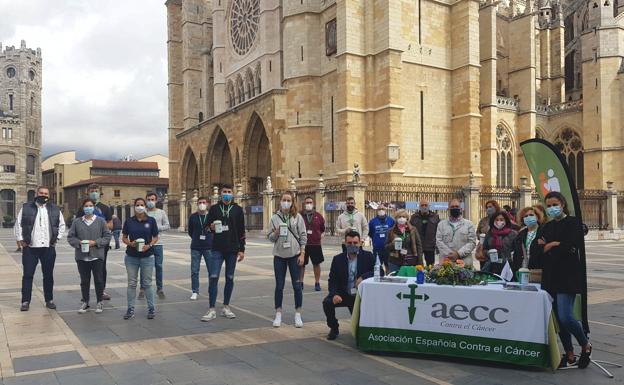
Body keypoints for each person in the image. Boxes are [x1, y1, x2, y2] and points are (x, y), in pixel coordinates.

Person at [530, 191, 592, 369]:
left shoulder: (573, 223)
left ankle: (585, 343)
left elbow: (571, 246)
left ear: (563, 204)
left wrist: (549, 246)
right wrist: (553, 245)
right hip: (550, 277)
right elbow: (535, 253)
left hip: (568, 275)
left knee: (566, 316)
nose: (551, 208)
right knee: (558, 318)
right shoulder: (545, 227)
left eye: (554, 204)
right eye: (548, 206)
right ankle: (570, 354)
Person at [323, 231, 382, 340]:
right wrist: (334, 294)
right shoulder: (338, 259)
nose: (352, 245)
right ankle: (334, 328)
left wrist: (363, 277)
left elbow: (380, 272)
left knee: (359, 329)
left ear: (360, 243)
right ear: (345, 243)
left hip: (360, 295)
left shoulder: (368, 256)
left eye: (355, 243)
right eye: (349, 243)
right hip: (343, 293)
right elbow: (332, 280)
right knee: (327, 303)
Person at [15, 186, 66, 311]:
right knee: (27, 275)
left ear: (48, 195)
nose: (43, 195)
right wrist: (21, 240)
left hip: (48, 248)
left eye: (46, 193)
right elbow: (18, 224)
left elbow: (62, 225)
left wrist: (56, 239)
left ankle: (49, 300)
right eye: (41, 193)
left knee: (48, 275)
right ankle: (25, 301)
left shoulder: (54, 209)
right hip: (31, 248)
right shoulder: (26, 207)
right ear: (37, 194)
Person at [201, 184, 246, 322]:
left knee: (230, 277)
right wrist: (211, 227)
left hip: (232, 249)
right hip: (217, 248)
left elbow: (241, 231)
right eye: (224, 192)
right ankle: (212, 309)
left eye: (229, 192)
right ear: (220, 194)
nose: (227, 194)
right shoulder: (214, 209)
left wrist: (242, 249)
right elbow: (206, 227)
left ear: (232, 194)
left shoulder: (238, 210)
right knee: (213, 276)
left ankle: (226, 306)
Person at [268, 192, 307, 328]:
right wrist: (276, 233)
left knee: (297, 286)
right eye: (284, 200)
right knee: (279, 286)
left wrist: (302, 254)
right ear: (280, 201)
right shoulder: (274, 218)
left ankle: (298, 314)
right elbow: (270, 238)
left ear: (292, 202)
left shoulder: (297, 217)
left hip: (294, 255)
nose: (286, 202)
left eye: (288, 200)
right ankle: (278, 314)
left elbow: (303, 236)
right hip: (279, 256)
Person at [67, 198, 112, 314]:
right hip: (82, 257)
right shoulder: (77, 222)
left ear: (94, 207)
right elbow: (70, 237)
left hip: (97, 256)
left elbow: (107, 236)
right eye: (86, 206)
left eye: (90, 205)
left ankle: (99, 301)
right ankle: (85, 301)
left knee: (98, 279)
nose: (88, 208)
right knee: (84, 280)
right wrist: (78, 243)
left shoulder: (101, 221)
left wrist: (96, 243)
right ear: (83, 208)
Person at [121, 198, 159, 320]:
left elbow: (156, 236)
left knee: (147, 283)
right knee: (132, 283)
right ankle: (130, 309)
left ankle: (151, 308)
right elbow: (124, 237)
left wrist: (150, 245)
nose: (140, 207)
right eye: (137, 205)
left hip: (147, 256)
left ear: (145, 206)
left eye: (142, 205)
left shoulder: (151, 221)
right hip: (131, 256)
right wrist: (130, 243)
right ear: (134, 206)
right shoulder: (129, 221)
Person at [75, 184, 113, 301]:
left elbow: (111, 224)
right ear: (88, 193)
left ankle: (101, 291)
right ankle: (85, 294)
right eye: (92, 191)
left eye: (96, 191)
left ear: (100, 193)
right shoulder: (82, 209)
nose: (94, 193)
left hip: (101, 244)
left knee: (101, 268)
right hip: (85, 244)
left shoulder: (105, 208)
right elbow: (77, 224)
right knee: (85, 268)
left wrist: (98, 226)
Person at [139, 192, 170, 300]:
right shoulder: (143, 213)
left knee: (159, 266)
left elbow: (167, 225)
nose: (150, 201)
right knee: (144, 267)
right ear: (146, 201)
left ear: (156, 201)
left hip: (158, 244)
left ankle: (160, 288)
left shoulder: (161, 212)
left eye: (152, 199)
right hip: (146, 244)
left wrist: (157, 228)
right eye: (148, 199)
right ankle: (142, 289)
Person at [435, 199, 476, 267]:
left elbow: (472, 242)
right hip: (446, 264)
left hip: (465, 263)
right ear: (448, 209)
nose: (455, 208)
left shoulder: (469, 224)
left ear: (461, 209)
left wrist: (458, 254)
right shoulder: (441, 225)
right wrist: (450, 254)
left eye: (457, 206)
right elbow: (439, 241)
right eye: (452, 207)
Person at [187, 196, 213, 300]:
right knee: (194, 270)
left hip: (209, 246)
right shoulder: (193, 217)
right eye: (200, 202)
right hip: (196, 247)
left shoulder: (211, 216)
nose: (202, 204)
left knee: (211, 270)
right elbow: (190, 231)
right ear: (197, 204)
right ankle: (195, 291)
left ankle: (212, 290)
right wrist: (196, 237)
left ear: (207, 204)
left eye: (204, 202)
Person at [300, 196, 325, 291]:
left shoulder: (318, 216)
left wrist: (318, 236)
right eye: (307, 202)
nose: (308, 204)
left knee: (316, 264)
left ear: (313, 204)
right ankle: (301, 282)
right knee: (301, 264)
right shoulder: (300, 215)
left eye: (310, 202)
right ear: (304, 204)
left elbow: (322, 228)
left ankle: (317, 282)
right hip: (303, 244)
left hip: (315, 244)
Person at [510, 206, 542, 275]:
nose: (528, 217)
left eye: (531, 215)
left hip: (538, 270)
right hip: (523, 270)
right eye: (526, 216)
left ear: (537, 216)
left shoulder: (544, 231)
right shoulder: (520, 234)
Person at [409, 200, 440, 266]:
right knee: (417, 265)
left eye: (426, 205)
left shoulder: (435, 216)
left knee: (430, 266)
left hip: (430, 245)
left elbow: (439, 231)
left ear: (429, 206)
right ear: (419, 207)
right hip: (417, 246)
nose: (424, 207)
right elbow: (410, 230)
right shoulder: (414, 217)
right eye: (422, 205)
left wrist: (437, 245)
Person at [368, 205, 394, 273]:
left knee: (388, 266)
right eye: (379, 209)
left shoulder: (391, 220)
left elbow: (393, 233)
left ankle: (388, 279)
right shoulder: (372, 222)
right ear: (377, 210)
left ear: (385, 210)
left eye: (382, 209)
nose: (381, 210)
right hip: (377, 249)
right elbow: (370, 233)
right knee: (377, 267)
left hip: (388, 249)